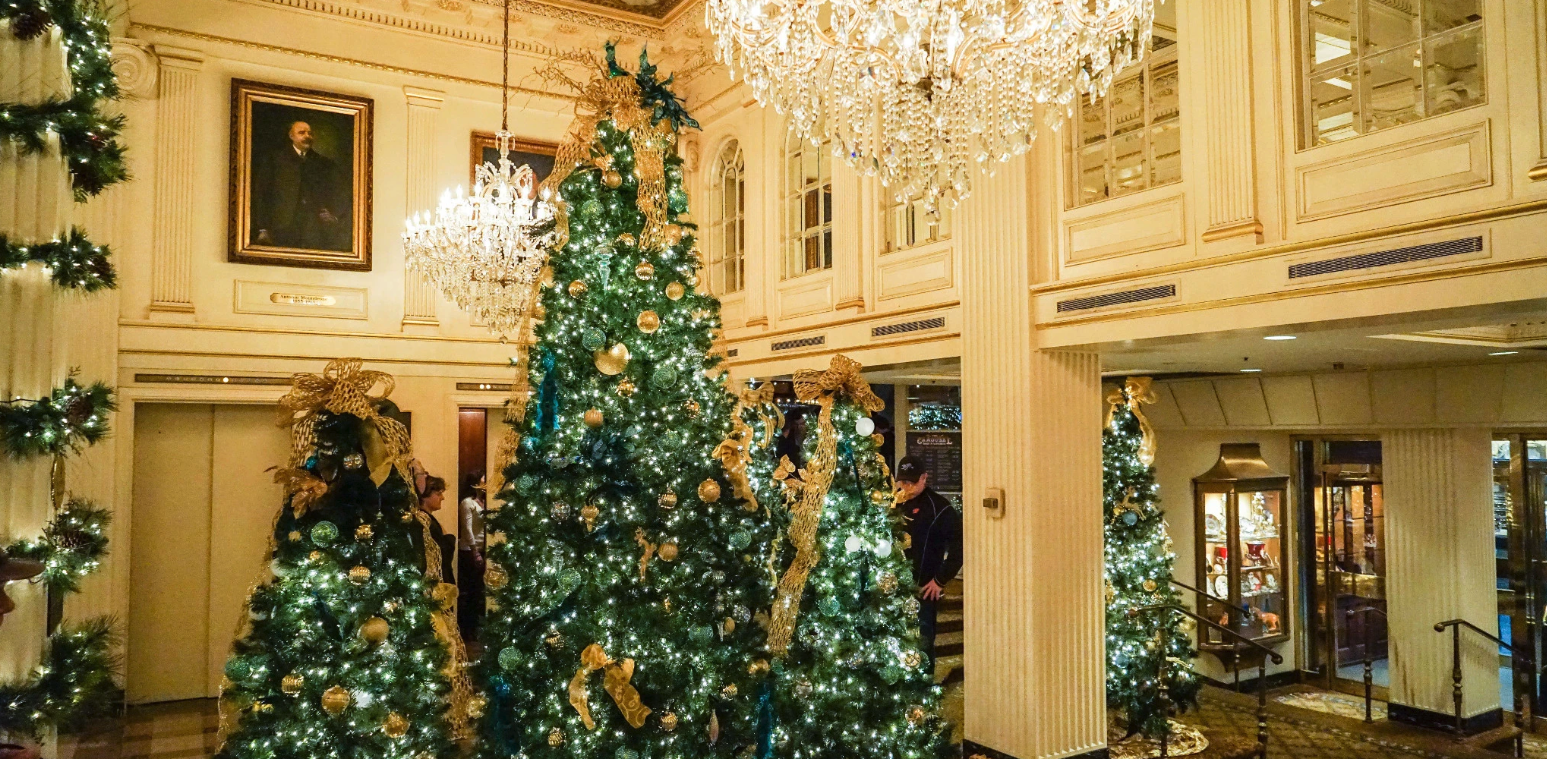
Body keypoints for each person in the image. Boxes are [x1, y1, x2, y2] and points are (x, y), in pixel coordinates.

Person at [897, 456, 962, 676]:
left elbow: (959, 547)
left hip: (923, 590)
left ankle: (923, 695)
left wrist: (940, 580)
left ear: (924, 478)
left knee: (922, 643)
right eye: (903, 482)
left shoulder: (940, 508)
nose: (907, 487)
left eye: (912, 482)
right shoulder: (893, 504)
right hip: (892, 589)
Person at [251, 120, 350, 251]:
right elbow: (262, 194)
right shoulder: (274, 160)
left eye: (310, 133)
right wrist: (263, 228)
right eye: (301, 133)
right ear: (291, 136)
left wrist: (334, 215)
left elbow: (340, 192)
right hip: (280, 227)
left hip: (315, 229)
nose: (307, 136)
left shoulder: (324, 164)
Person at [458, 471, 487, 642]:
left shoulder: (484, 502)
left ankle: (476, 626)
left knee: (479, 590)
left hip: (482, 547)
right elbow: (467, 529)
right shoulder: (467, 503)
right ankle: (468, 629)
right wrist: (475, 551)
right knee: (471, 590)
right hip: (469, 550)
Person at [418, 475, 458, 585]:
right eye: (438, 494)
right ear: (424, 496)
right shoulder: (424, 520)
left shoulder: (429, 519)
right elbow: (444, 554)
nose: (442, 498)